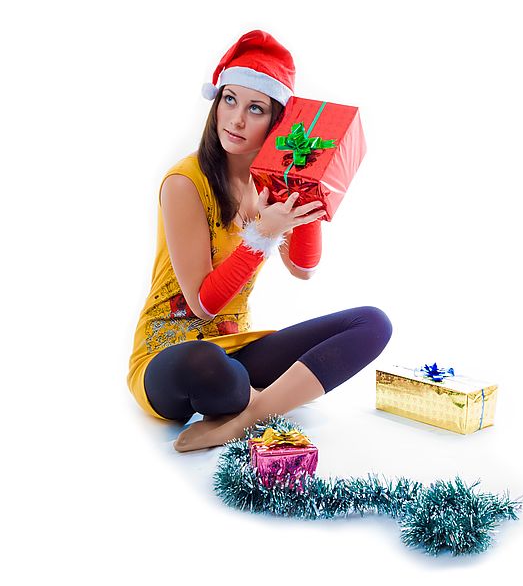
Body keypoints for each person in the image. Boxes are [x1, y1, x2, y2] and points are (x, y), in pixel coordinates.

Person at [126, 30, 392, 453]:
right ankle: (248, 401)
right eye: (229, 100)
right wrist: (263, 234)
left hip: (236, 349)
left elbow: (304, 268)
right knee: (212, 367)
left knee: (373, 322)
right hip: (170, 354)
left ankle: (251, 415)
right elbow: (201, 304)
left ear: (277, 121)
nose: (236, 120)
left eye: (255, 108)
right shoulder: (184, 182)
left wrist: (305, 184)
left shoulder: (266, 183)